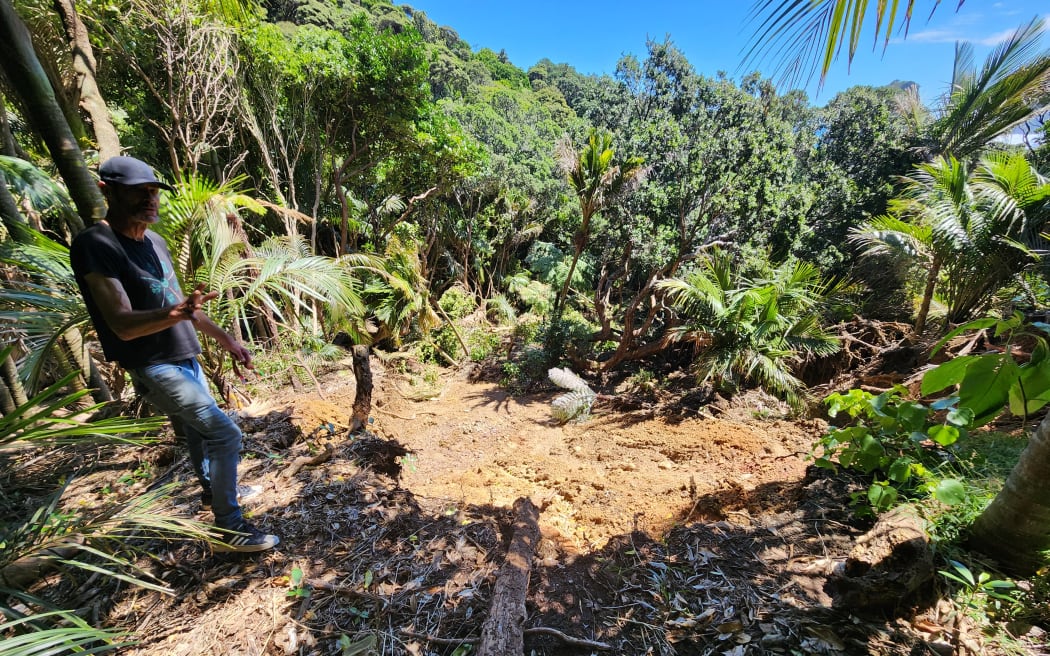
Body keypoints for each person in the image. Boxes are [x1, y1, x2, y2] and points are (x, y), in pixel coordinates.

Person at [69, 156, 279, 553]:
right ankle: (230, 531)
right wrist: (176, 312)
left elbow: (186, 309)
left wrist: (228, 342)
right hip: (151, 363)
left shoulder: (156, 241)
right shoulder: (95, 245)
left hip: (185, 353)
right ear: (106, 191)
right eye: (138, 193)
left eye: (153, 192)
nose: (150, 200)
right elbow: (122, 324)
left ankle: (212, 492)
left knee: (200, 433)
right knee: (223, 431)